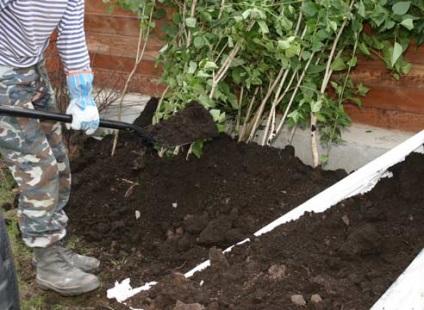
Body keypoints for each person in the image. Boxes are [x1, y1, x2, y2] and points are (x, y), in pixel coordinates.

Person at [0, 0, 101, 297]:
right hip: (2, 72)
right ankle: (47, 263)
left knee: (57, 159)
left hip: (31, 69)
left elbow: (71, 35)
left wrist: (82, 94)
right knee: (38, 168)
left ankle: (53, 246)